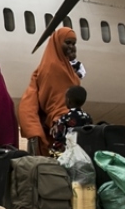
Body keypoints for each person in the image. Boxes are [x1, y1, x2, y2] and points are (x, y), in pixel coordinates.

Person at [18, 26, 85, 156]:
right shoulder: (54, 67)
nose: (71, 46)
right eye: (68, 43)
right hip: (59, 124)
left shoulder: (62, 65)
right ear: (58, 43)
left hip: (61, 123)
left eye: (73, 43)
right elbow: (53, 99)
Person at [49, 86, 92, 155]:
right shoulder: (88, 117)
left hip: (68, 153)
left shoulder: (64, 118)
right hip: (83, 153)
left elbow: (59, 138)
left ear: (68, 100)